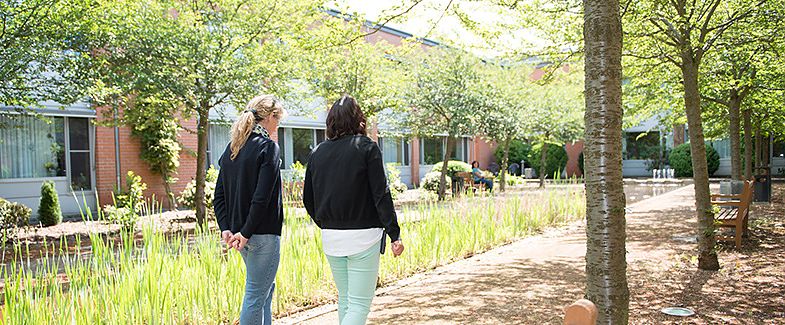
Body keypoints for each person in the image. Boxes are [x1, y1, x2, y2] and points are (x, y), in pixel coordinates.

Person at [303, 95, 404, 325]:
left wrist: (326, 222)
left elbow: (308, 199)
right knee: (358, 305)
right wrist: (394, 233)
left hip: (331, 237)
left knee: (347, 301)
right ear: (358, 119)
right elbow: (381, 194)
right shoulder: (367, 147)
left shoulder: (317, 152)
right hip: (363, 237)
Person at [213, 95, 286, 325]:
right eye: (278, 120)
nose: (277, 127)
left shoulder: (233, 148)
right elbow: (261, 198)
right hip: (259, 234)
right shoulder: (268, 148)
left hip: (240, 235)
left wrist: (227, 228)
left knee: (264, 289)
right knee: (255, 294)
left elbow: (219, 196)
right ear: (270, 117)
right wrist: (245, 232)